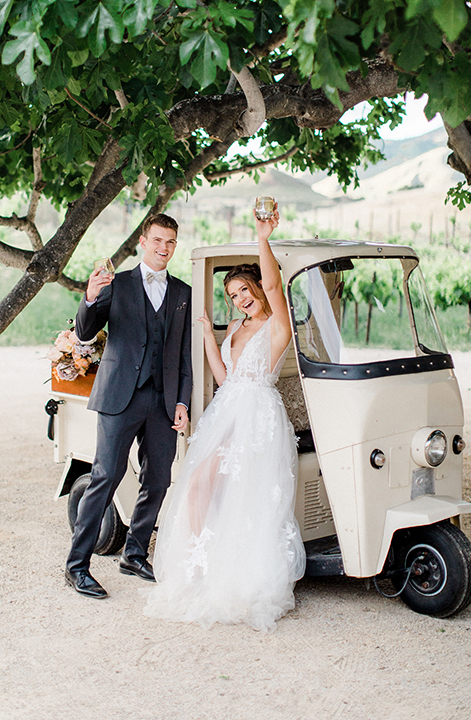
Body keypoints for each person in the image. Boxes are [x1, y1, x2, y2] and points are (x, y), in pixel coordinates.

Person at [143, 207, 306, 632]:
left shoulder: (277, 325)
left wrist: (262, 237)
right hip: (228, 406)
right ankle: (202, 561)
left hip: (255, 415)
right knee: (199, 484)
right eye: (233, 294)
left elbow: (274, 283)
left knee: (243, 494)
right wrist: (207, 336)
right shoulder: (236, 325)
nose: (240, 298)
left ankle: (237, 572)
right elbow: (223, 376)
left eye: (245, 289)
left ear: (258, 287)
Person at [65, 213, 192, 599]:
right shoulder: (117, 284)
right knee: (106, 476)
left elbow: (183, 355)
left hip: (163, 400)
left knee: (157, 480)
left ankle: (134, 554)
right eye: (157, 240)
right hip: (120, 395)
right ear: (143, 241)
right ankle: (76, 566)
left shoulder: (183, 292)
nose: (163, 248)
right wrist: (89, 296)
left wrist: (182, 401)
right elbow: (85, 332)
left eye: (170, 242)